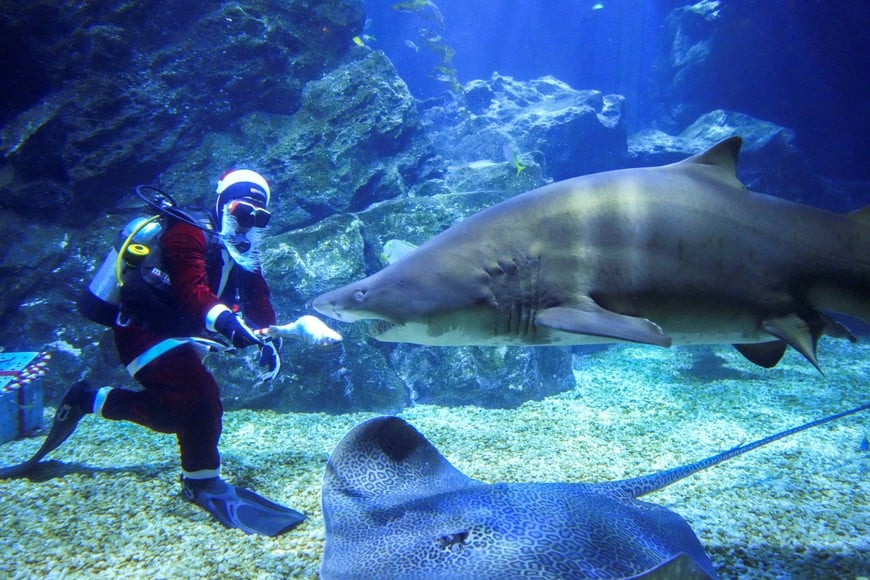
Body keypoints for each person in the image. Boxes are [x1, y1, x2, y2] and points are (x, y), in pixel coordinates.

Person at [0, 169, 340, 536]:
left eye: (259, 214)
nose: (247, 220)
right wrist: (228, 324)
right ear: (223, 203)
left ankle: (88, 398)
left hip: (184, 332)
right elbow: (190, 290)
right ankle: (202, 481)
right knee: (200, 398)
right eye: (243, 208)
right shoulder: (188, 230)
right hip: (144, 331)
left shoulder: (242, 247)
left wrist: (271, 341)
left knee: (173, 415)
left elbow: (258, 296)